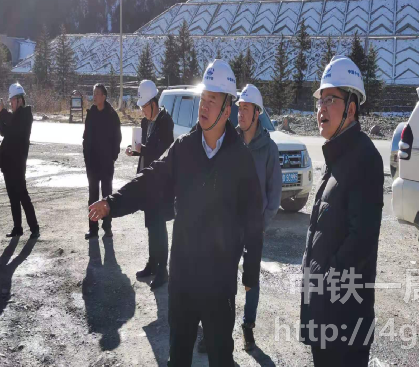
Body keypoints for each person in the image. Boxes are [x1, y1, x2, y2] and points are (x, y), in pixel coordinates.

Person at [88, 59, 264, 367]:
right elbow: (151, 179)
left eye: (212, 100)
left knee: (221, 357)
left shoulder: (240, 159)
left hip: (219, 283)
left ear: (227, 109)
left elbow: (253, 219)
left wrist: (250, 272)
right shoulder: (184, 149)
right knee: (178, 356)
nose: (204, 105)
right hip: (184, 279)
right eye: (203, 97)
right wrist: (113, 203)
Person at [300, 56, 384, 366]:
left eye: (330, 100)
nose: (321, 109)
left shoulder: (365, 158)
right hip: (326, 312)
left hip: (344, 319)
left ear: (351, 107)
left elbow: (361, 239)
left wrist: (324, 282)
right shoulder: (338, 156)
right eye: (319, 101)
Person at [235, 84, 282, 351]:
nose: (240, 113)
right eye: (239, 108)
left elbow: (274, 195)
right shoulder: (230, 142)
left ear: (257, 113)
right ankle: (217, 325)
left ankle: (248, 326)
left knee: (251, 279)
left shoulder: (269, 149)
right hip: (229, 225)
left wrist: (261, 224)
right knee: (222, 275)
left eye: (246, 109)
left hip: (254, 227)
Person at [125, 80, 175, 290]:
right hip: (148, 181)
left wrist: (143, 150)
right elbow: (146, 150)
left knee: (159, 227)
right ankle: (152, 263)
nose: (143, 111)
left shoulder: (166, 122)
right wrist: (136, 152)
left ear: (154, 103)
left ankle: (163, 270)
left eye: (144, 106)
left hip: (161, 183)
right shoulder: (146, 123)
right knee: (150, 225)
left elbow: (163, 152)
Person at [0, 83, 40, 239]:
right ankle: (17, 228)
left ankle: (34, 228)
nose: (11, 103)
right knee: (12, 196)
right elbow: (4, 132)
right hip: (8, 160)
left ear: (20, 100)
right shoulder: (13, 116)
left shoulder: (25, 114)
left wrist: (3, 112)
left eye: (12, 100)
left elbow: (15, 124)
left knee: (22, 195)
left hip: (18, 162)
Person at [82, 84, 122, 240]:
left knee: (106, 196)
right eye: (94, 93)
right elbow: (86, 137)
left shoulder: (112, 115)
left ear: (104, 96)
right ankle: (93, 229)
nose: (95, 96)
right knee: (92, 195)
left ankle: (107, 227)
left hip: (106, 163)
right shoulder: (91, 114)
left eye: (97, 94)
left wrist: (113, 157)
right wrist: (86, 157)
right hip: (92, 163)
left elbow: (117, 138)